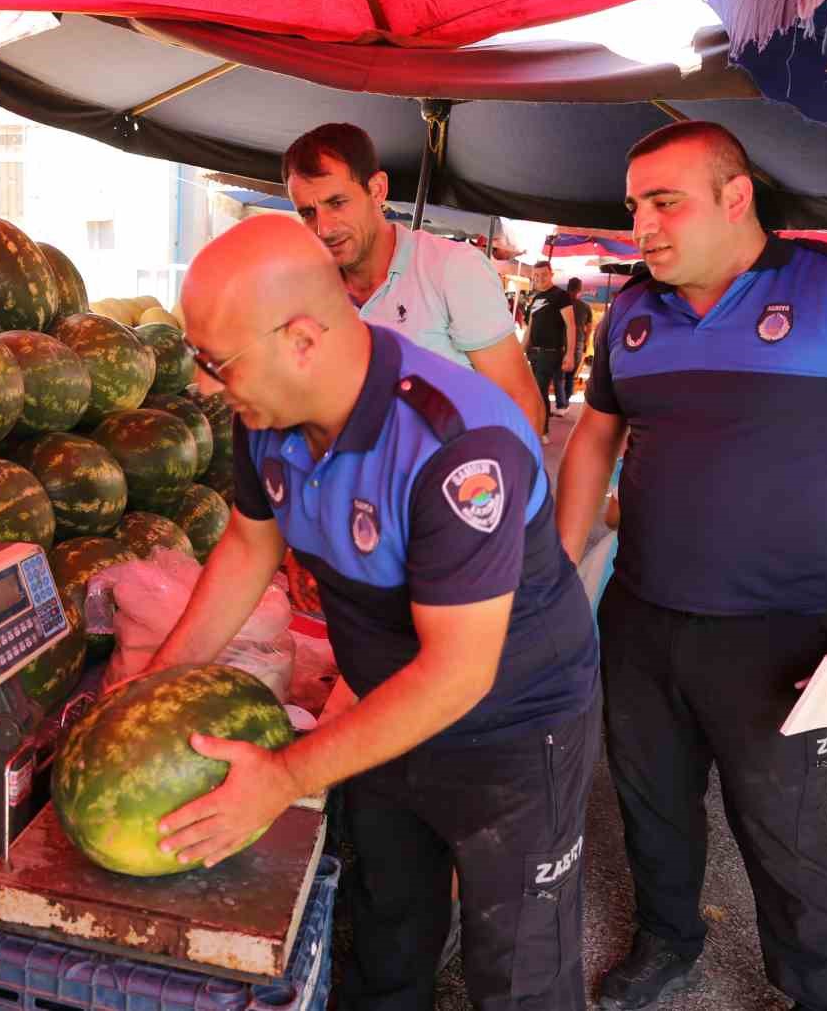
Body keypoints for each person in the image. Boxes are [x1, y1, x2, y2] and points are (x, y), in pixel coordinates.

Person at [145, 215, 601, 1011]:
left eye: (215, 362)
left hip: (513, 729)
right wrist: (152, 687)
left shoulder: (457, 444)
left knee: (519, 962)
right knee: (387, 924)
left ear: (302, 339)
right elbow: (249, 552)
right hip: (386, 709)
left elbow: (458, 674)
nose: (203, 386)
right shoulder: (268, 421)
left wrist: (284, 777)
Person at [556, 121, 827, 1011]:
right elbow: (595, 439)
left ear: (736, 196)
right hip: (644, 613)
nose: (644, 227)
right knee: (649, 801)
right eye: (634, 208)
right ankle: (668, 940)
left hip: (780, 628)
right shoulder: (630, 312)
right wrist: (556, 562)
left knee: (784, 828)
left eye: (666, 202)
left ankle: (821, 988)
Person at [283, 124, 544, 433]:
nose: (323, 229)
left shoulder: (453, 269)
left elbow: (522, 404)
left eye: (337, 203)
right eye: (307, 213)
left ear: (377, 189)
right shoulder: (304, 293)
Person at [524, 262, 576, 440]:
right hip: (534, 353)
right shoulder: (536, 298)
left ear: (551, 274)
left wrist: (570, 354)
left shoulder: (561, 296)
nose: (539, 278)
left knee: (539, 390)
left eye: (543, 274)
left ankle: (542, 430)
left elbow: (571, 325)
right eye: (536, 275)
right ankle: (537, 427)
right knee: (534, 391)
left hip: (550, 352)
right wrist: (521, 352)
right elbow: (530, 328)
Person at [560, 277, 593, 408]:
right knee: (570, 375)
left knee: (559, 375)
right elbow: (589, 328)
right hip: (578, 343)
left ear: (568, 287)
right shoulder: (585, 307)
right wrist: (585, 343)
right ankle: (565, 403)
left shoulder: (560, 303)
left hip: (560, 342)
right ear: (580, 289)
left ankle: (560, 403)